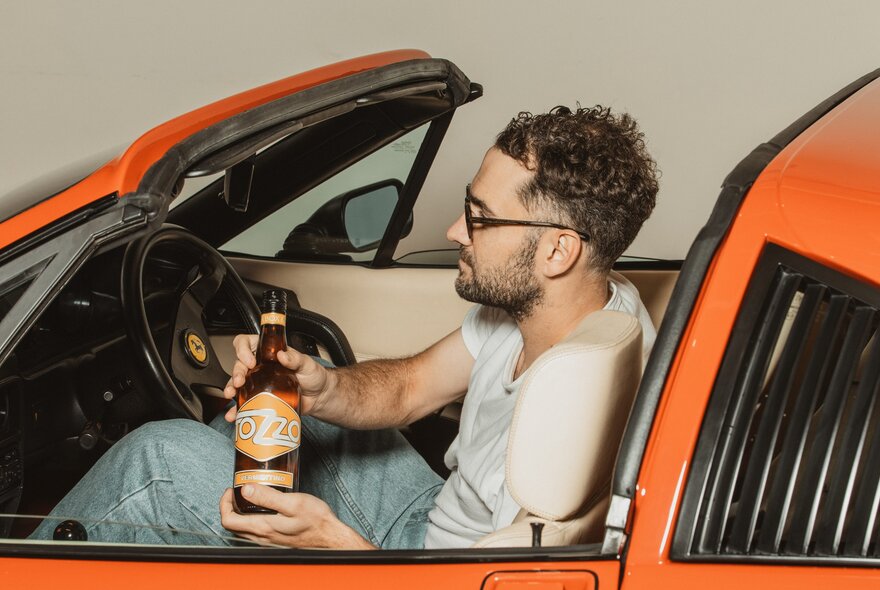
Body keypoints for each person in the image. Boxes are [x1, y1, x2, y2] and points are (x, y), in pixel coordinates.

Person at [32, 105, 659, 550]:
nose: (452, 233)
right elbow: (412, 386)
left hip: (428, 569)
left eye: (479, 218)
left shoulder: (572, 408)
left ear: (557, 251)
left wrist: (336, 549)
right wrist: (320, 387)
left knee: (157, 461)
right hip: (432, 516)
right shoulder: (566, 305)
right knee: (293, 416)